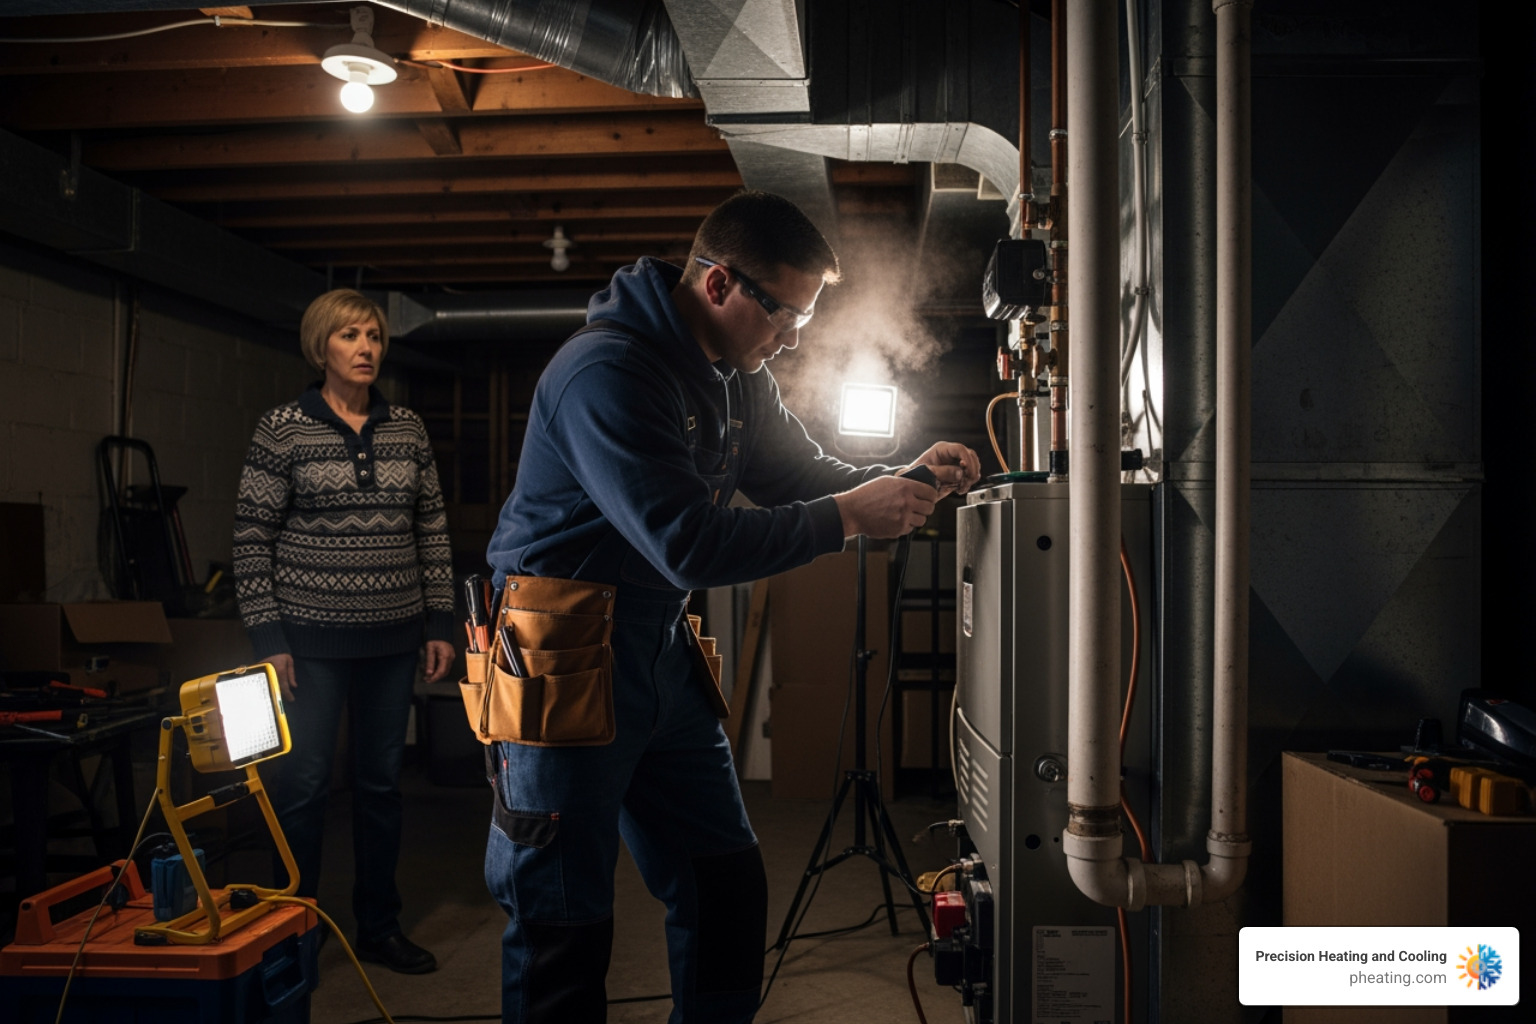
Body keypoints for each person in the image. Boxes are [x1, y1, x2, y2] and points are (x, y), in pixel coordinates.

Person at [482, 190, 981, 1023]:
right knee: (559, 918)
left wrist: (906, 475)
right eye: (786, 314)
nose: (794, 337)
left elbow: (803, 476)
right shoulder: (606, 371)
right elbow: (687, 543)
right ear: (720, 285)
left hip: (656, 650)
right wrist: (850, 517)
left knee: (724, 885)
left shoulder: (734, 378)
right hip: (557, 650)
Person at [233, 288, 455, 974]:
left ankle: (379, 926)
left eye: (374, 337)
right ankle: (293, 925)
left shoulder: (408, 429)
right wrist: (270, 640)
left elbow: (432, 530)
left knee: (381, 786)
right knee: (301, 787)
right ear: (320, 346)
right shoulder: (283, 429)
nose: (366, 349)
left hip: (393, 640)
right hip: (308, 643)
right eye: (350, 336)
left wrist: (440, 621)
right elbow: (251, 539)